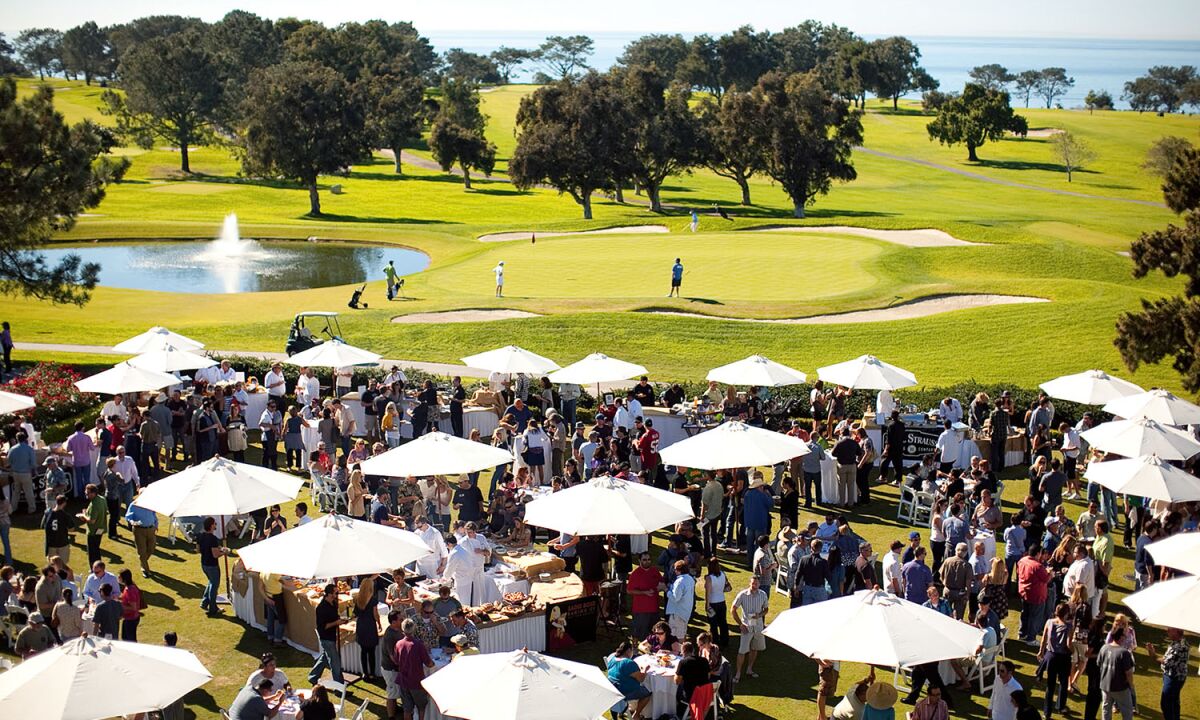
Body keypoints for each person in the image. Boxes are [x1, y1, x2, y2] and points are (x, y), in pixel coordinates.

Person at [394, 617, 435, 720]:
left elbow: (396, 660)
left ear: (403, 629)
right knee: (421, 707)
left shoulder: (399, 644)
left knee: (407, 709)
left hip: (404, 681)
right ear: (414, 629)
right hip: (416, 682)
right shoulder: (418, 645)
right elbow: (429, 663)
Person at [1146, 627, 1190, 720]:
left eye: (1170, 629)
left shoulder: (1180, 646)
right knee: (1174, 702)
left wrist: (1153, 653)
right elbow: (1167, 658)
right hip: (1172, 676)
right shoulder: (1177, 641)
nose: (1167, 631)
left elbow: (1166, 661)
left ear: (1177, 631)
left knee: (1166, 703)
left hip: (1174, 678)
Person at [1038, 603, 1073, 718]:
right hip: (1063, 658)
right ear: (1066, 613)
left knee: (1050, 685)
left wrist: (1041, 651)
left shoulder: (1049, 622)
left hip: (1051, 656)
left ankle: (1047, 712)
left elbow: (1043, 639)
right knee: (1063, 683)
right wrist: (1073, 650)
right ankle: (1061, 707)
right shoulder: (1068, 626)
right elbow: (1068, 644)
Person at [731, 575, 768, 683]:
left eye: (756, 584)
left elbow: (766, 609)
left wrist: (759, 615)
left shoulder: (763, 595)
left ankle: (749, 669)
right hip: (746, 627)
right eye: (753, 584)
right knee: (742, 651)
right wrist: (740, 624)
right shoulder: (742, 595)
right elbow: (733, 609)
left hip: (758, 627)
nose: (754, 586)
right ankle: (738, 673)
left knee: (754, 648)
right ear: (749, 584)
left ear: (759, 584)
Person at [308, 583, 346, 686]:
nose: (337, 594)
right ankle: (339, 687)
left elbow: (334, 617)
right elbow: (322, 627)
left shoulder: (333, 603)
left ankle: (313, 677)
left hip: (331, 636)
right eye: (335, 593)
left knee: (325, 657)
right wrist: (336, 623)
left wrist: (339, 620)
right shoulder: (321, 608)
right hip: (326, 637)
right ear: (329, 594)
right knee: (335, 662)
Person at [606, 640, 653, 718]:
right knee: (647, 693)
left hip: (613, 690)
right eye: (632, 651)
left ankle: (621, 712)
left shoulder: (612, 660)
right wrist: (645, 669)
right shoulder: (629, 663)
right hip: (625, 691)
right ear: (628, 651)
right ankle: (636, 714)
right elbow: (641, 679)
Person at [1098, 625, 1135, 720]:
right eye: (1124, 635)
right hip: (1120, 687)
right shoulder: (1124, 653)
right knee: (1127, 711)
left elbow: (1099, 664)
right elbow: (1128, 672)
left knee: (1106, 709)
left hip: (1105, 685)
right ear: (1121, 637)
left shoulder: (1104, 648)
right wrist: (1131, 685)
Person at [198, 517, 230, 616]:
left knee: (210, 582)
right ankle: (213, 608)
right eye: (215, 524)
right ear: (212, 525)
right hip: (212, 565)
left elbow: (198, 550)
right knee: (214, 586)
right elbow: (215, 555)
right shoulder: (212, 538)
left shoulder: (200, 536)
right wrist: (224, 552)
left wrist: (219, 549)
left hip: (204, 564)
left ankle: (204, 602)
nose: (216, 525)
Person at [354, 573, 383, 681]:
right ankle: (372, 673)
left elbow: (356, 613)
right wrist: (379, 623)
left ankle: (365, 673)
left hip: (361, 625)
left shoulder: (358, 598)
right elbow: (375, 614)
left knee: (363, 651)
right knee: (371, 652)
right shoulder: (373, 599)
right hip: (370, 626)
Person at [628, 552, 663, 640]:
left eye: (649, 559)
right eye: (644, 560)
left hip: (654, 608)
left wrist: (661, 587)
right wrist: (644, 592)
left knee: (656, 635)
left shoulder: (655, 571)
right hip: (641, 611)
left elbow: (661, 582)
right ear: (639, 561)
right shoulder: (635, 574)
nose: (647, 562)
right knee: (641, 636)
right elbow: (629, 590)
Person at [673, 641, 711, 720]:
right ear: (693, 650)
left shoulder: (683, 662)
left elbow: (677, 681)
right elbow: (708, 676)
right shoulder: (704, 660)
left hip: (693, 695)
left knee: (677, 691)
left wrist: (676, 673)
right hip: (706, 693)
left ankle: (677, 712)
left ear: (683, 652)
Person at [125, 496, 158, 577]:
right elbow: (128, 516)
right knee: (142, 550)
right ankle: (145, 570)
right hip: (139, 530)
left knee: (151, 548)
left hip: (151, 529)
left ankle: (143, 562)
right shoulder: (134, 504)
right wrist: (132, 522)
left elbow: (153, 514)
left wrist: (156, 525)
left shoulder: (150, 503)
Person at [703, 556, 731, 648]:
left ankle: (715, 642)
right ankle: (725, 640)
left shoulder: (709, 578)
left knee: (713, 624)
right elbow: (728, 587)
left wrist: (707, 605)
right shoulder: (723, 574)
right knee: (723, 622)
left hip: (712, 603)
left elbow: (708, 593)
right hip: (722, 601)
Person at [666, 559, 695, 640]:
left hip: (677, 613)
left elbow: (675, 598)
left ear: (678, 570)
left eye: (675, 569)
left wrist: (666, 590)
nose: (674, 571)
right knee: (682, 634)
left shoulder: (679, 581)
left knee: (677, 638)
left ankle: (680, 652)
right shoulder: (690, 579)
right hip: (685, 612)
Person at [117, 568, 142, 641]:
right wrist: (119, 598)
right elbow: (127, 600)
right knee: (125, 638)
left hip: (131, 619)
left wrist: (120, 604)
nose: (118, 578)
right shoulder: (130, 587)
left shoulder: (129, 590)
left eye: (119, 577)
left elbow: (133, 607)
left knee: (130, 641)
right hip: (130, 618)